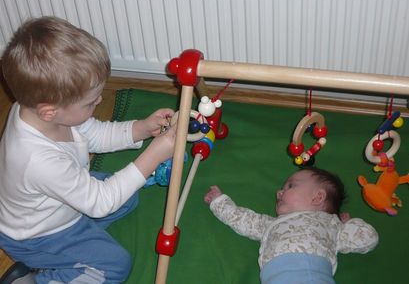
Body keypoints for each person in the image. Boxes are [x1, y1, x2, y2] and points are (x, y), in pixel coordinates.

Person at [0, 16, 177, 284]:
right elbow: (100, 203)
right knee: (115, 264)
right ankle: (37, 280)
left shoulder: (38, 109)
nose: (100, 101)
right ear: (50, 111)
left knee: (128, 197)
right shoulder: (38, 159)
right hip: (38, 236)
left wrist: (142, 128)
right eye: (90, 102)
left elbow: (96, 134)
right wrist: (153, 156)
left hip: (55, 205)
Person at [204, 167, 379, 284]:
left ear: (317, 197)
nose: (279, 192)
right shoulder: (273, 225)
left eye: (290, 186)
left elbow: (368, 238)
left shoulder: (331, 225)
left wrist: (349, 224)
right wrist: (220, 201)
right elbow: (244, 220)